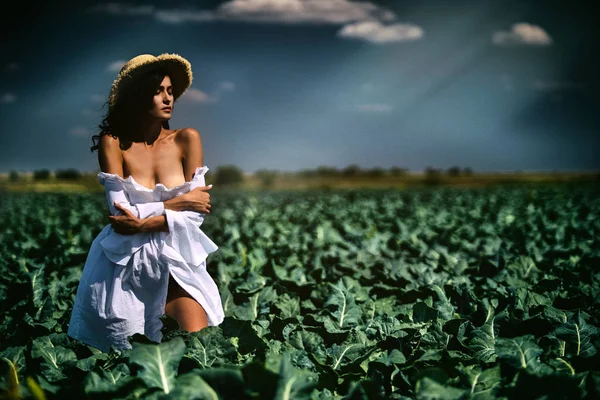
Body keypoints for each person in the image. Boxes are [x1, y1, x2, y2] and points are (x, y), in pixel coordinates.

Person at [67, 53, 224, 353]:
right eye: (158, 91)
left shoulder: (186, 139)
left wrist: (143, 222)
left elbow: (198, 211)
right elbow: (119, 214)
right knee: (128, 360)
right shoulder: (113, 143)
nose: (168, 98)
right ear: (138, 96)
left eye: (170, 91)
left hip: (177, 257)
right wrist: (176, 204)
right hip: (125, 264)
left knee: (199, 348)